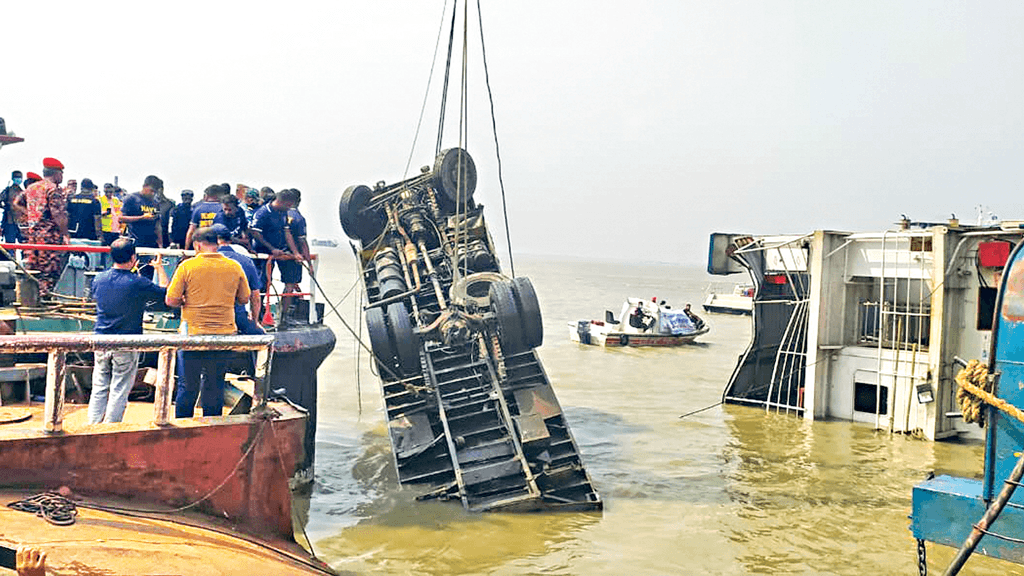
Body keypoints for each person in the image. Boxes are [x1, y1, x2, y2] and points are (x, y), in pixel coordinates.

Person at [165, 226, 250, 418]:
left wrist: (185, 300)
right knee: (215, 383)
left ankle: (183, 426)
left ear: (197, 245)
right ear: (218, 244)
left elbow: (171, 300)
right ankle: (213, 425)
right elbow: (244, 299)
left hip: (192, 334)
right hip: (224, 335)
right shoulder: (234, 267)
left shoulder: (187, 267)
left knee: (188, 385)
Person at [88, 238, 168, 424]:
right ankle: (111, 428)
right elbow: (166, 292)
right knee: (120, 389)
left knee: (99, 386)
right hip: (127, 342)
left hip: (100, 340)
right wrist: (159, 267)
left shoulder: (99, 279)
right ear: (133, 258)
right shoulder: (138, 283)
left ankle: (92, 427)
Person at [14, 157, 69, 294]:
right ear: (56, 173)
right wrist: (65, 234)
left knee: (33, 270)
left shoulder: (32, 188)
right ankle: (44, 300)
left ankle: (31, 298)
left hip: (32, 236)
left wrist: (29, 214)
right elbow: (58, 215)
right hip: (50, 237)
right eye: (61, 172)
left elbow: (16, 202)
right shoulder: (53, 189)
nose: (62, 176)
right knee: (49, 273)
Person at [250, 189, 302, 323]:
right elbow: (255, 233)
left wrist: (295, 252)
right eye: (289, 205)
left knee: (284, 281)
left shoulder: (283, 213)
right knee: (262, 284)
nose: (290, 209)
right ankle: (257, 314)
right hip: (262, 254)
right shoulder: (263, 213)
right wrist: (271, 249)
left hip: (279, 252)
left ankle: (283, 316)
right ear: (282, 202)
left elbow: (287, 233)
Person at [212, 224, 263, 335]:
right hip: (237, 316)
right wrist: (254, 322)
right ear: (230, 240)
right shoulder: (246, 261)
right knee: (262, 338)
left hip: (207, 318)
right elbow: (256, 297)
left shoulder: (198, 262)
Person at [120, 175, 163, 280]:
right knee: (135, 272)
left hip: (151, 243)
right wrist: (142, 218)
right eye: (151, 191)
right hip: (136, 241)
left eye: (155, 192)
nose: (153, 194)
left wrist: (160, 244)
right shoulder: (131, 198)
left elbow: (158, 225)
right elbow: (121, 218)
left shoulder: (155, 203)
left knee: (149, 273)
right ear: (145, 186)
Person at [184, 184, 223, 249]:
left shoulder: (198, 208)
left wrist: (186, 248)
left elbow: (191, 231)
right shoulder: (222, 208)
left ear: (206, 196)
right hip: (217, 243)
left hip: (201, 243)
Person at [1, 170, 24, 243]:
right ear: (13, 178)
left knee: (24, 244)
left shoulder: (22, 191)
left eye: (20, 177)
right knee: (10, 245)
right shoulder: (7, 191)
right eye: (17, 177)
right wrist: (5, 207)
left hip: (21, 222)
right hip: (9, 221)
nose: (19, 179)